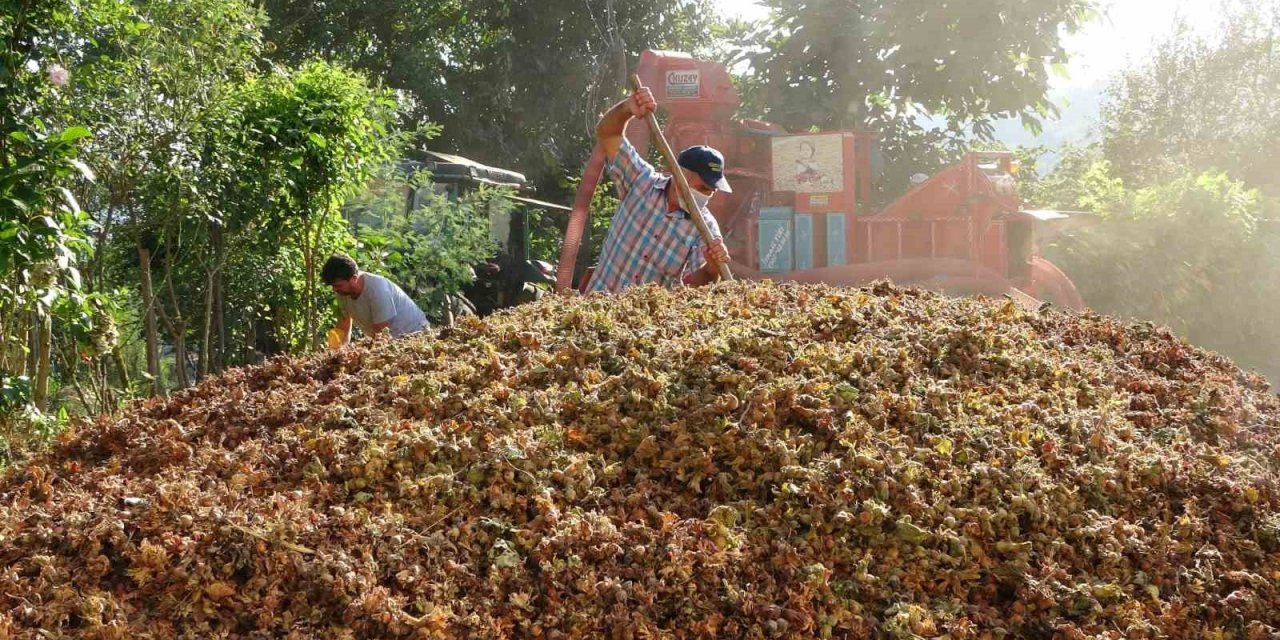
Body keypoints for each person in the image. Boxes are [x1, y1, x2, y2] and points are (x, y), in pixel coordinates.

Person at [586, 84, 732, 293]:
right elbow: (607, 134)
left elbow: (692, 291)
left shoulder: (706, 230)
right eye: (702, 187)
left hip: (642, 323)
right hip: (591, 309)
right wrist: (627, 108)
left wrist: (711, 269)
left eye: (710, 191)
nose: (706, 195)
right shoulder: (641, 181)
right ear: (679, 173)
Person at [321, 254, 429, 344]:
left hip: (416, 336)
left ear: (354, 278)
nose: (335, 290)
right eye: (333, 286)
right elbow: (343, 325)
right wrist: (334, 354)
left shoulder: (377, 288)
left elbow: (381, 332)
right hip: (389, 341)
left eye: (338, 285)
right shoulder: (342, 292)